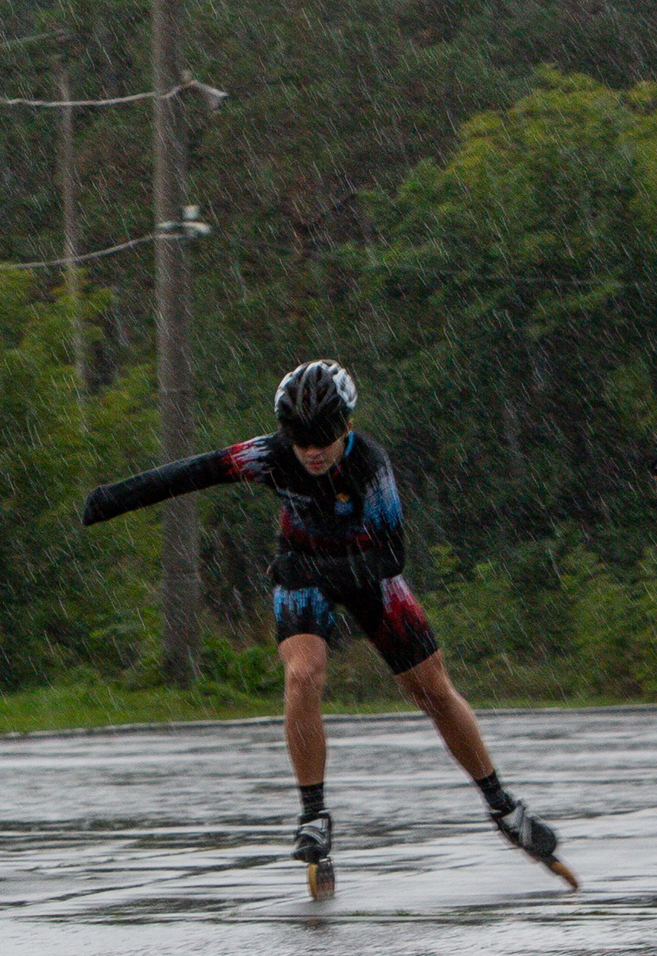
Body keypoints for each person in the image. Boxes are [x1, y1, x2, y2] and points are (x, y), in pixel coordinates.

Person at [82, 360, 567, 894]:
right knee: (303, 675)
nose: (312, 450)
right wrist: (110, 500)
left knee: (430, 690)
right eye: (301, 438)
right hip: (302, 570)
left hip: (368, 573)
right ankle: (313, 815)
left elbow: (392, 556)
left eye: (324, 438)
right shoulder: (270, 455)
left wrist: (322, 569)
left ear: (348, 428)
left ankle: (502, 805)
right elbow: (192, 474)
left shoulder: (371, 467)